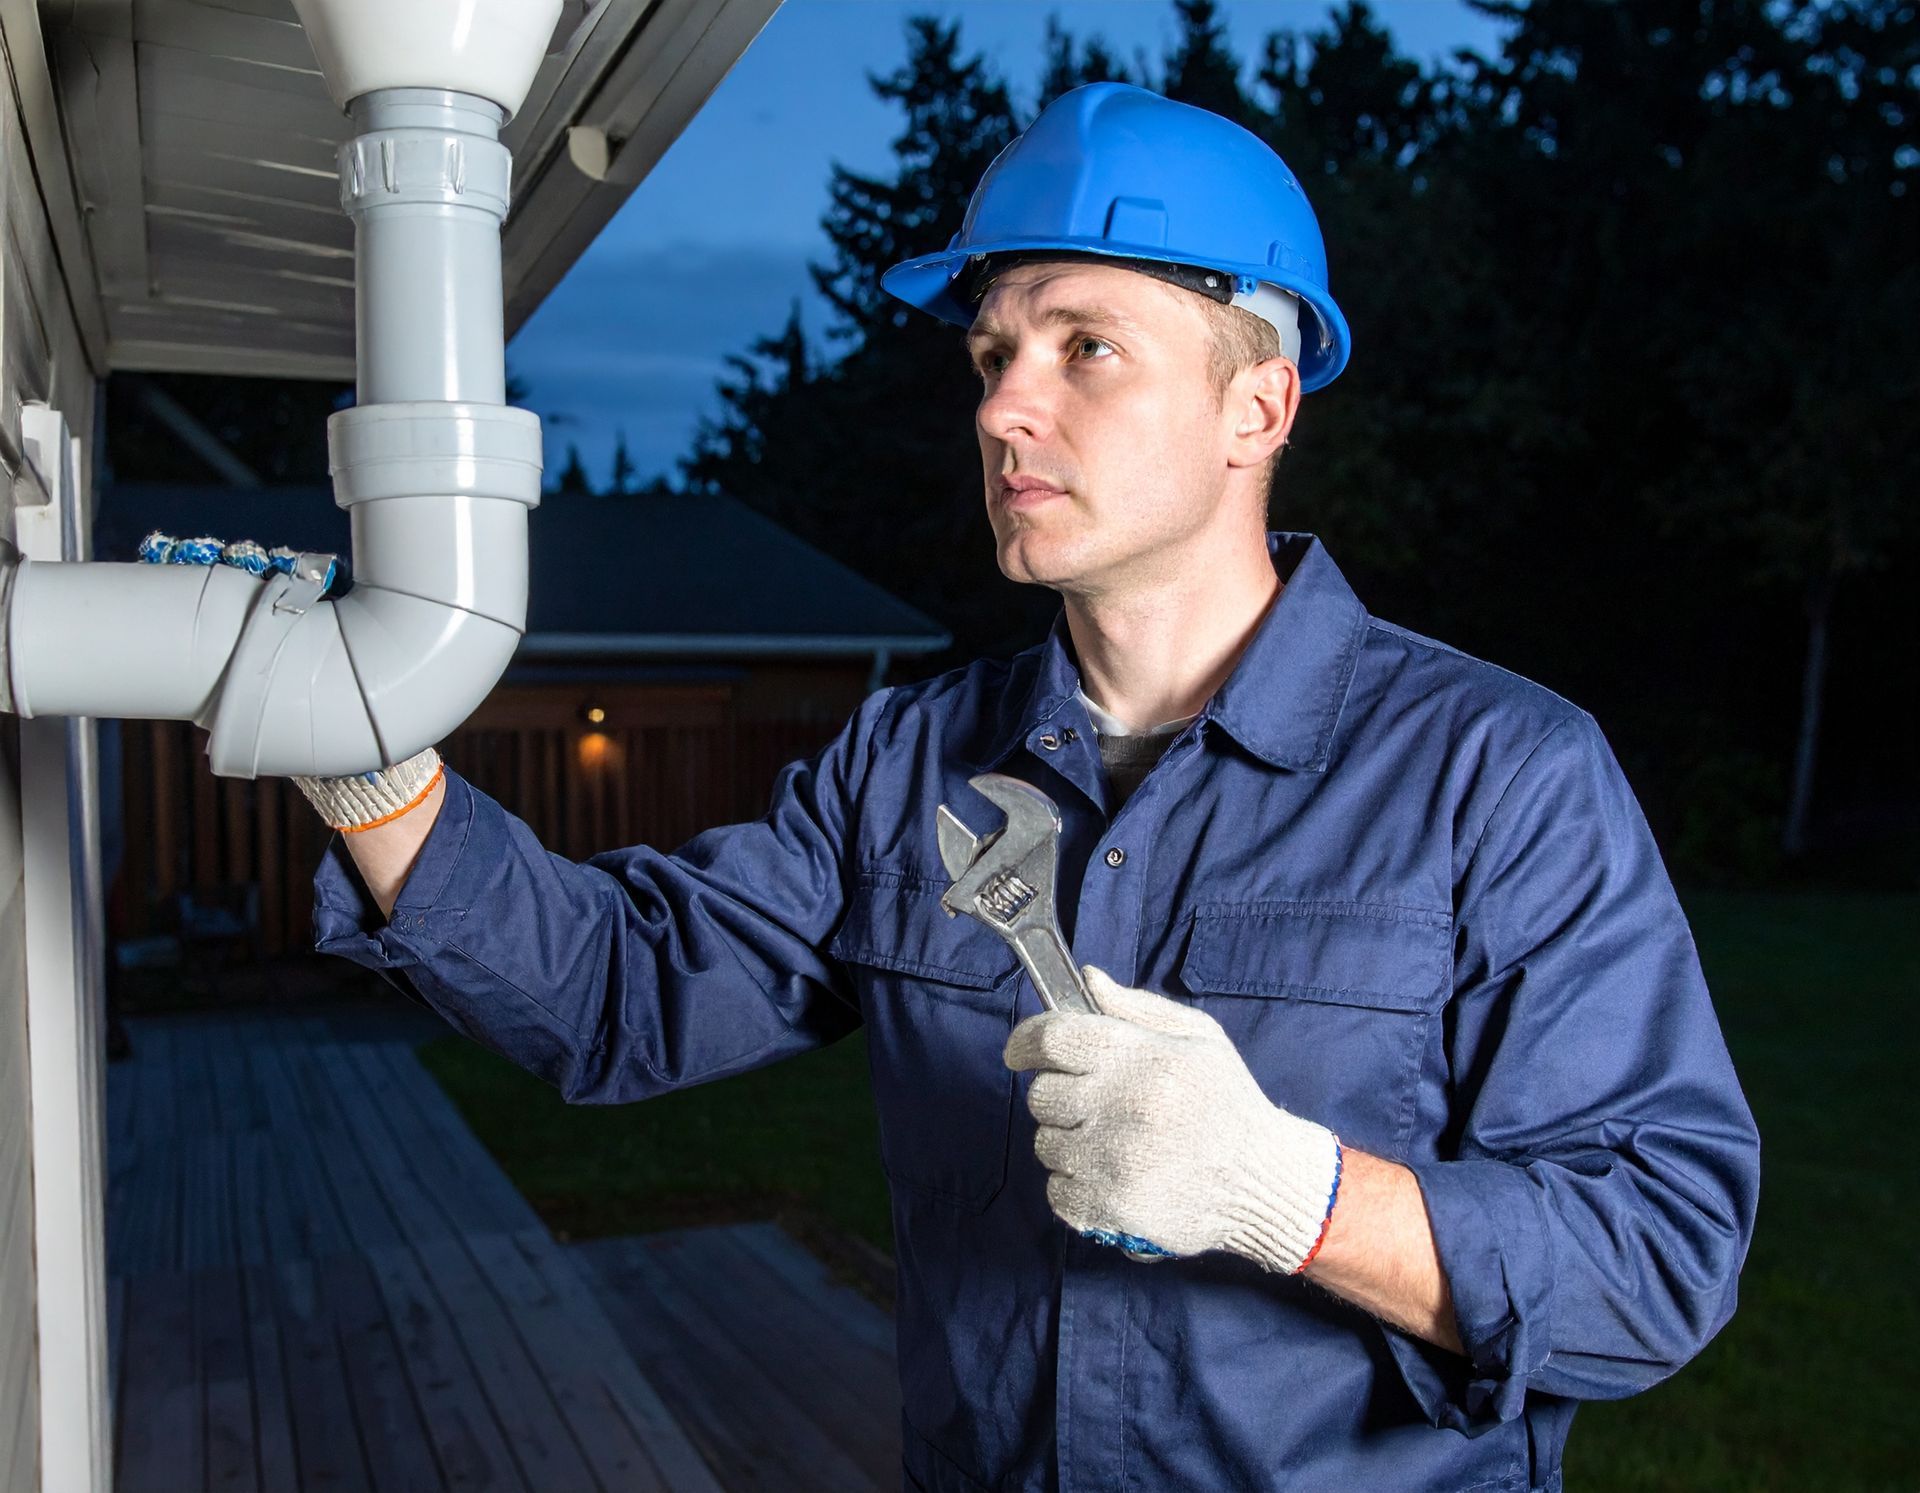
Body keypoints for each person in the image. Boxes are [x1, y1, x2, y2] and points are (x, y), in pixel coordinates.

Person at [305, 83, 1759, 1493]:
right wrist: (372, 769)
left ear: (1258, 405)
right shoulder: (907, 767)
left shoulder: (1499, 776)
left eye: (1084, 349)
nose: (1006, 409)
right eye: (993, 356)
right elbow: (623, 990)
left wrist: (1286, 1191)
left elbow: (1658, 1254)